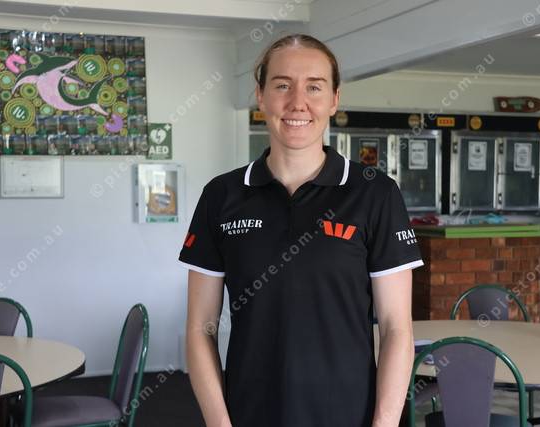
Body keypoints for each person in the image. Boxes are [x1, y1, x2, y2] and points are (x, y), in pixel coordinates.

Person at [179, 34, 423, 427]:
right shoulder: (221, 196)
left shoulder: (375, 193)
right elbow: (199, 329)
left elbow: (396, 329)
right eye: (282, 86)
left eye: (314, 87)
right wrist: (219, 423)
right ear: (260, 96)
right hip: (249, 413)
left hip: (348, 415)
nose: (297, 102)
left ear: (334, 100)